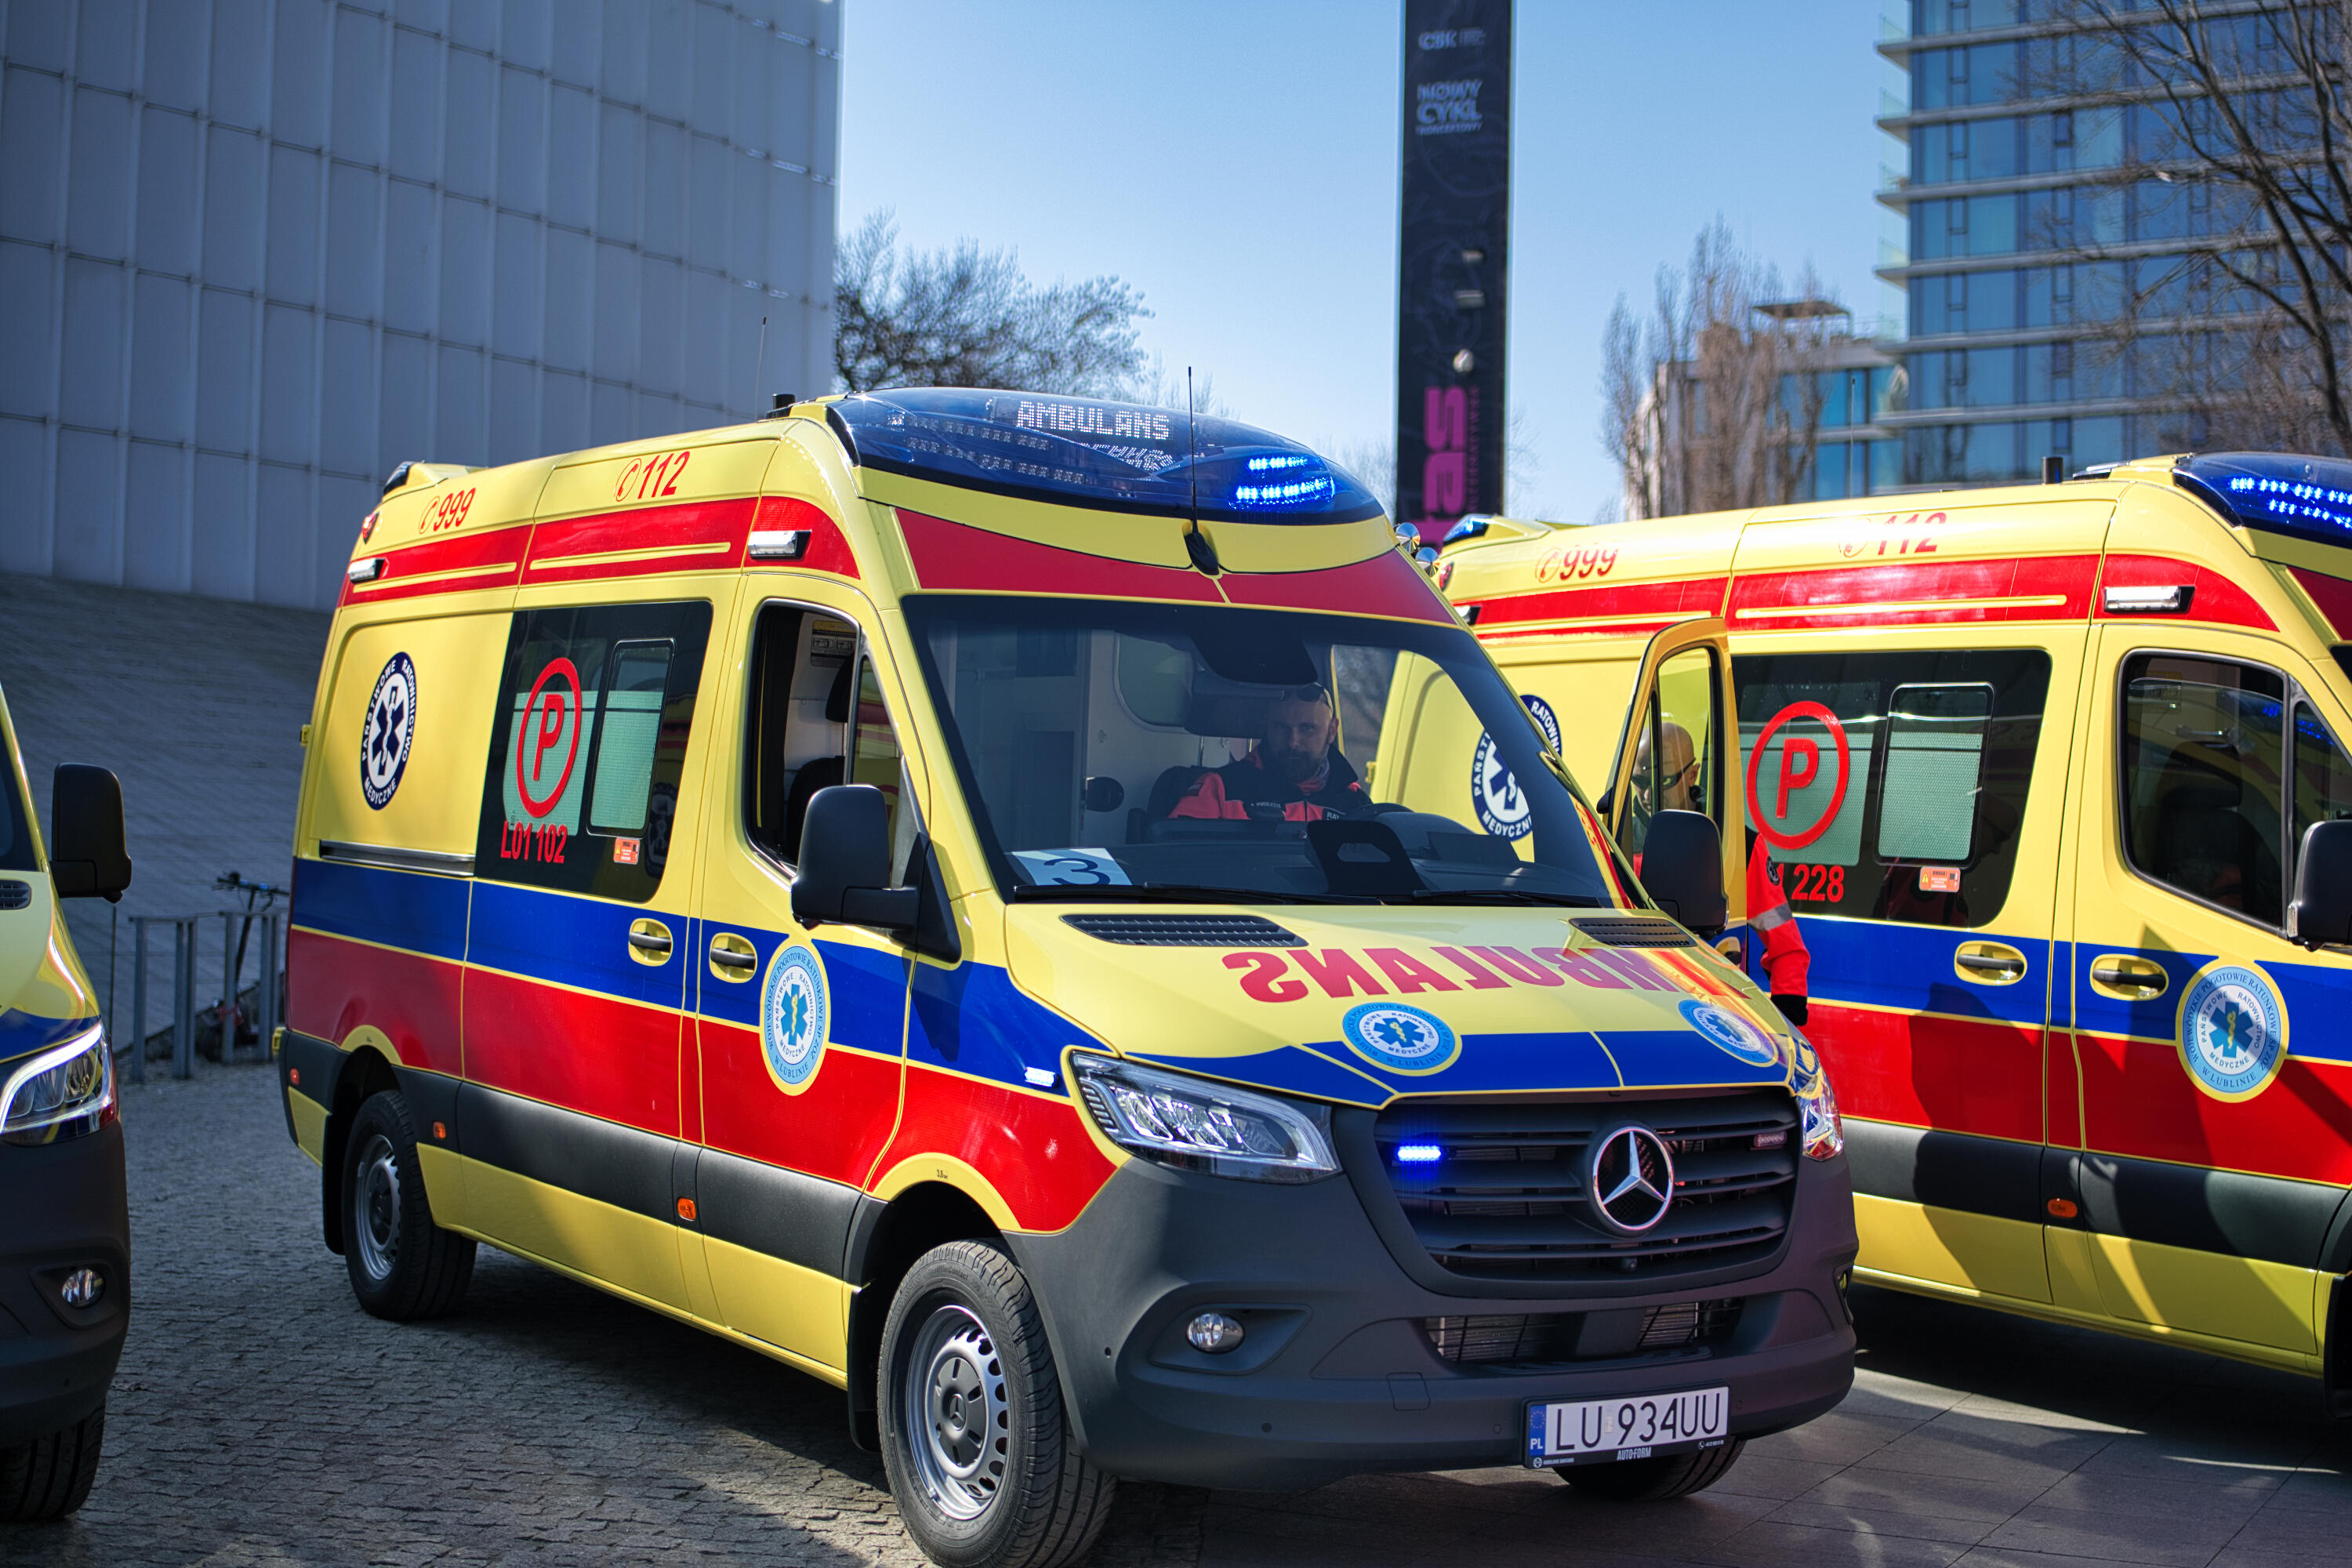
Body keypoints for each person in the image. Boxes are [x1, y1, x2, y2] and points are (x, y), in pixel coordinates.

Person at [1635, 720, 1812, 1028]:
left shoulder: (1738, 846)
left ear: (1693, 774)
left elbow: (1787, 947)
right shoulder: (1614, 839)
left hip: (1716, 1018)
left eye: (1664, 781)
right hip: (1641, 1008)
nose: (1648, 794)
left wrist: (1787, 1017)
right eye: (1639, 780)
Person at [1166, 684, 1369, 822]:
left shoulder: (1357, 805)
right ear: (1267, 727)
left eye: (1307, 729)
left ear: (1332, 731)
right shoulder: (1220, 790)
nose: (1293, 742)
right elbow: (1177, 861)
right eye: (1281, 727)